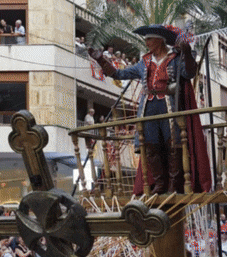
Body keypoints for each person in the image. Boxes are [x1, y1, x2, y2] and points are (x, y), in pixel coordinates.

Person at [89, 24, 211, 195]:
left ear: (160, 40)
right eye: (145, 39)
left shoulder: (175, 58)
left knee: (173, 146)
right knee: (151, 147)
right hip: (148, 106)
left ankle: (173, 184)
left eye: (149, 39)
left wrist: (188, 54)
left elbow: (189, 73)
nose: (146, 43)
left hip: (169, 105)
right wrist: (101, 60)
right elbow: (119, 74)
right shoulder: (144, 61)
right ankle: (160, 184)